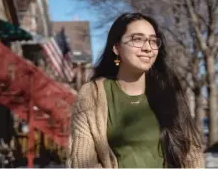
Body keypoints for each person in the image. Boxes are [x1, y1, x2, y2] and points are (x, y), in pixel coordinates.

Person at [67, 12, 204, 168]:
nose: (147, 48)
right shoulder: (92, 94)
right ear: (116, 47)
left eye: (153, 41)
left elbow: (192, 154)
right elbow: (82, 162)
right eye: (137, 39)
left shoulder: (169, 92)